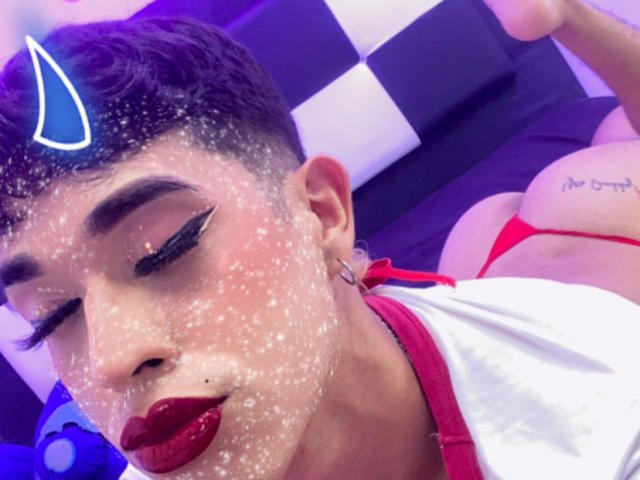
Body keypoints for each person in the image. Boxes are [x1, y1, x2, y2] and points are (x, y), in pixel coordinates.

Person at [0, 2, 639, 479]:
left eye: (164, 247)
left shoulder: (606, 406)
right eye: (51, 315)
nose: (110, 362)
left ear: (321, 212)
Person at [438, 1, 640, 306]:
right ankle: (564, 15)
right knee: (618, 128)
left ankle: (565, 15)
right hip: (486, 274)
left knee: (617, 129)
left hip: (488, 276)